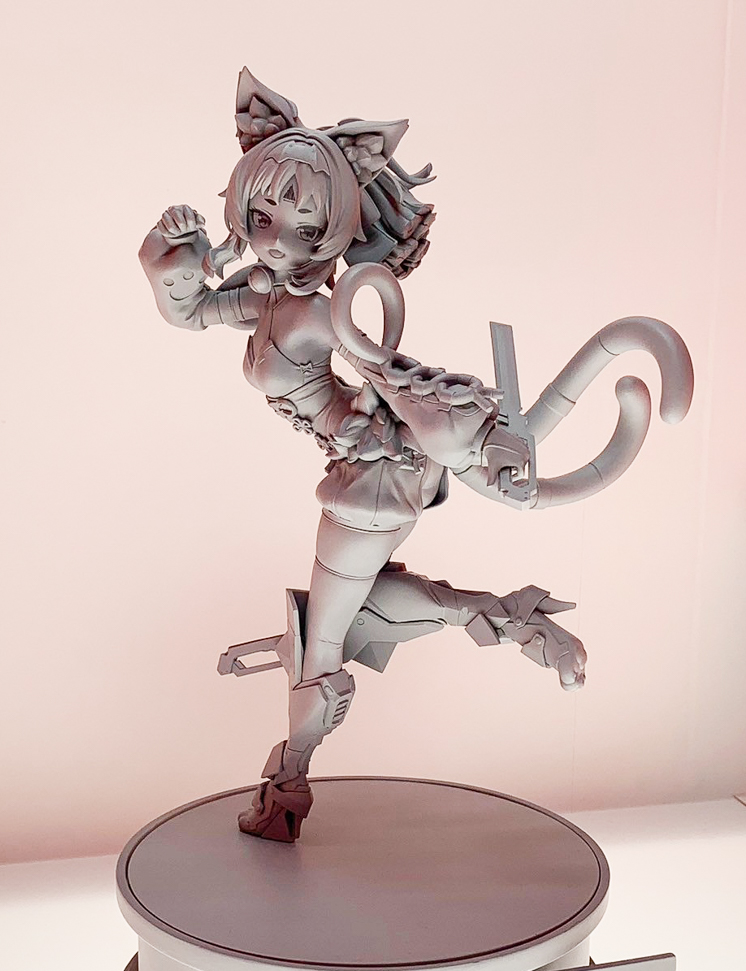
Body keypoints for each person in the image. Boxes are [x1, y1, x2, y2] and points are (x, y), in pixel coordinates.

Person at [139, 69, 691, 842]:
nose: (275, 239)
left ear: (335, 232)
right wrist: (173, 254)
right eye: (262, 217)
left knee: (324, 649)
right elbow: (192, 310)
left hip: (369, 481)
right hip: (363, 476)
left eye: (302, 227)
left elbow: (395, 379)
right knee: (342, 620)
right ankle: (511, 625)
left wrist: (482, 447)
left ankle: (289, 790)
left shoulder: (318, 312)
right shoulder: (269, 297)